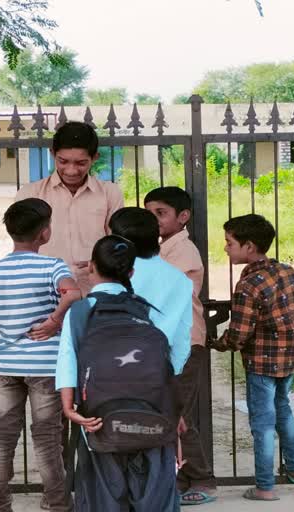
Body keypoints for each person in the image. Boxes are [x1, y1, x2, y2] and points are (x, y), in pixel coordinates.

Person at [56, 236, 181, 512]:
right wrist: (175, 417)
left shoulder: (80, 310)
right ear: (131, 272)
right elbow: (167, 363)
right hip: (152, 417)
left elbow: (67, 358)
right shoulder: (147, 309)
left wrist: (69, 408)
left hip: (98, 421)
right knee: (153, 497)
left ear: (91, 268)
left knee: (103, 497)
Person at [0, 198, 81, 512]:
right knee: (47, 437)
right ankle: (56, 502)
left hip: (6, 366)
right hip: (46, 366)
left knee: (2, 436)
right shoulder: (52, 266)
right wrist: (54, 319)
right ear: (44, 233)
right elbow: (73, 293)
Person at [209, 214, 294, 502]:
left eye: (229, 243)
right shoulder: (288, 271)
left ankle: (265, 486)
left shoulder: (249, 285)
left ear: (249, 246)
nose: (225, 248)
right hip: (288, 358)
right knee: (284, 411)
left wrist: (216, 343)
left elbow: (239, 334)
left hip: (261, 364)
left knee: (262, 424)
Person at [144, 187, 216, 505]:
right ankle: (185, 476)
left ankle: (202, 478)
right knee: (173, 410)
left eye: (161, 213)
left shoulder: (183, 251)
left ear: (183, 217)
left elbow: (161, 290)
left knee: (177, 412)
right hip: (170, 341)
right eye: (149, 213)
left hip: (184, 341)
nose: (153, 219)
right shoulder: (163, 249)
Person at [15, 122, 124, 292]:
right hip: (45, 291)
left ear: (94, 157)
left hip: (95, 291)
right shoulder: (30, 194)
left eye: (81, 163)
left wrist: (100, 263)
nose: (71, 171)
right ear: (52, 154)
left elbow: (118, 243)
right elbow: (22, 248)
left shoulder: (110, 193)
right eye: (63, 161)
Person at [107, 207, 192, 374]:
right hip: (157, 366)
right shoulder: (180, 280)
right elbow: (182, 334)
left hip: (112, 366)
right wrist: (173, 370)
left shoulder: (111, 274)